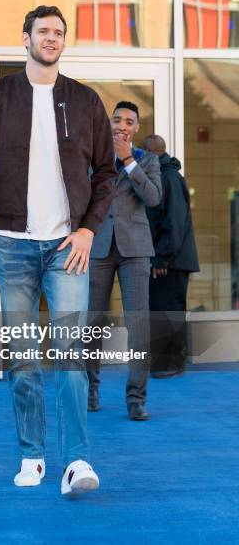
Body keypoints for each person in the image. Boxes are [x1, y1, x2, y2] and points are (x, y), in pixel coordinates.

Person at [0, 5, 115, 496]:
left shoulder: (85, 101)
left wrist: (88, 230)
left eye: (59, 33)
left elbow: (107, 173)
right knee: (23, 357)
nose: (52, 38)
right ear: (24, 38)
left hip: (69, 248)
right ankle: (32, 456)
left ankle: (76, 462)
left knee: (69, 357)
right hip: (14, 247)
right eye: (43, 31)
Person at [87, 101, 162, 419]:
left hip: (135, 250)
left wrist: (129, 161)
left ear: (136, 128)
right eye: (116, 119)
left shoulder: (148, 160)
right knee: (92, 324)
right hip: (98, 247)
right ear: (109, 123)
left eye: (128, 121)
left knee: (138, 325)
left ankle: (136, 398)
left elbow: (154, 198)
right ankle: (89, 390)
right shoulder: (92, 156)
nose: (121, 125)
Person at [142, 134, 199, 378]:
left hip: (170, 261)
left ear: (151, 153)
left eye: (142, 153)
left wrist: (163, 258)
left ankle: (171, 364)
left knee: (168, 310)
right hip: (168, 258)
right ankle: (165, 362)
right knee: (161, 309)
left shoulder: (169, 178)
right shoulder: (164, 176)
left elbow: (173, 223)